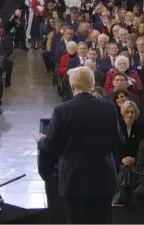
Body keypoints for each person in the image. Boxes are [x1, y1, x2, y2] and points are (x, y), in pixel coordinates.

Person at [35, 66, 123, 225]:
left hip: (73, 180)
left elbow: (52, 146)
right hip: (103, 178)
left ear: (73, 86)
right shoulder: (109, 108)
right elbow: (118, 140)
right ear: (92, 84)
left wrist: (41, 140)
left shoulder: (62, 110)